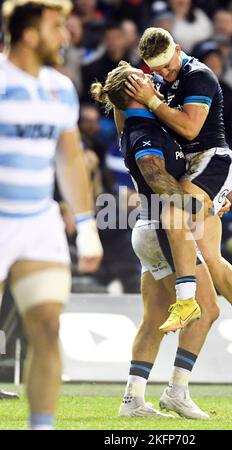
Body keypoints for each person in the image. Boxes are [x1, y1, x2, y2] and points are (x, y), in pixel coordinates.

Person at [125, 27, 232, 371]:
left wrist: (152, 100)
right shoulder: (161, 79)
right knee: (210, 256)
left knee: (174, 215)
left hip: (212, 161)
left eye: (167, 65)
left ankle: (185, 300)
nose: (164, 73)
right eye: (156, 69)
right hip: (192, 171)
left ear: (177, 49)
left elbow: (191, 129)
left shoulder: (199, 75)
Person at [91, 61, 220, 419]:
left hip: (148, 231)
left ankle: (132, 400)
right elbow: (154, 175)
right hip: (163, 230)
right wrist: (198, 207)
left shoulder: (137, 120)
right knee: (206, 310)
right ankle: (177, 391)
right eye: (143, 77)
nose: (153, 79)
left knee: (152, 320)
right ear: (133, 92)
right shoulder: (143, 131)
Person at [0, 0, 103, 430]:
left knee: (46, 329)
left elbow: (69, 158)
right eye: (57, 26)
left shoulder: (60, 88)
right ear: (28, 33)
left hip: (38, 221)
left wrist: (87, 226)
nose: (65, 36)